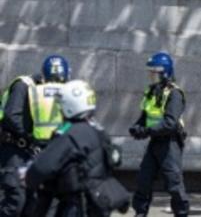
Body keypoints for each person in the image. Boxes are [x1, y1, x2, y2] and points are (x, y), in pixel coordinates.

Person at [27, 78, 128, 217]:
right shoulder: (98, 129)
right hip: (97, 202)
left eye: (61, 105)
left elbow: (43, 166)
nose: (60, 109)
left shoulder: (70, 133)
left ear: (70, 106)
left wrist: (27, 176)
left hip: (77, 206)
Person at [0, 55, 71, 216]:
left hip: (32, 152)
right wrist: (31, 138)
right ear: (45, 77)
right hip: (14, 149)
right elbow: (12, 116)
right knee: (15, 200)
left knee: (33, 204)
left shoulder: (51, 94)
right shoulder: (24, 85)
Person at [130, 52, 189, 217]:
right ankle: (140, 213)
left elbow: (170, 123)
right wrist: (137, 127)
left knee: (174, 183)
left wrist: (147, 131)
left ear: (164, 72)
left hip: (170, 143)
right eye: (150, 72)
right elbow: (145, 117)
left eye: (154, 72)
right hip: (155, 141)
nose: (150, 75)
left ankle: (182, 213)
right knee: (144, 180)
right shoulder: (151, 91)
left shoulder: (174, 93)